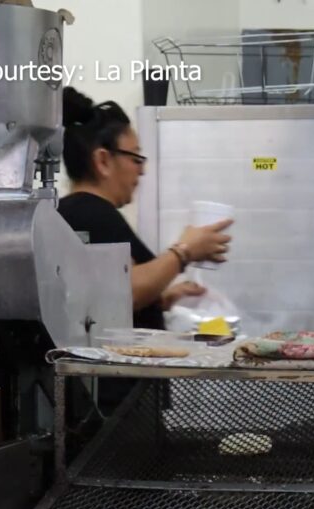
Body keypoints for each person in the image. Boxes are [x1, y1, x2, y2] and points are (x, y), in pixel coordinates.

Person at [58, 87, 232, 330]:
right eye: (136, 158)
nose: (142, 170)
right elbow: (124, 291)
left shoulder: (80, 211)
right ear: (103, 161)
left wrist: (161, 300)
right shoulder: (90, 213)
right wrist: (184, 252)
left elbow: (102, 299)